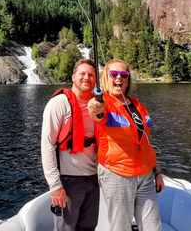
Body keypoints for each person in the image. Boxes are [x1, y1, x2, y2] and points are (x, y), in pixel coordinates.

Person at [87, 58, 164, 231]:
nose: (119, 78)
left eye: (123, 74)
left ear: (128, 79)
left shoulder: (138, 105)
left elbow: (145, 141)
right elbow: (96, 113)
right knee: (120, 227)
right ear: (106, 78)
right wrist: (94, 106)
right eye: (113, 74)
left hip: (145, 175)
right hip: (117, 174)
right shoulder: (104, 103)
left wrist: (157, 171)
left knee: (153, 226)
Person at [41, 59, 99, 231]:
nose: (86, 78)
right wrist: (55, 185)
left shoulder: (98, 105)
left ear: (96, 80)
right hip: (70, 181)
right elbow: (47, 144)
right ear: (73, 77)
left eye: (91, 75)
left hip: (94, 179)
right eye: (82, 74)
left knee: (89, 227)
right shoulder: (59, 103)